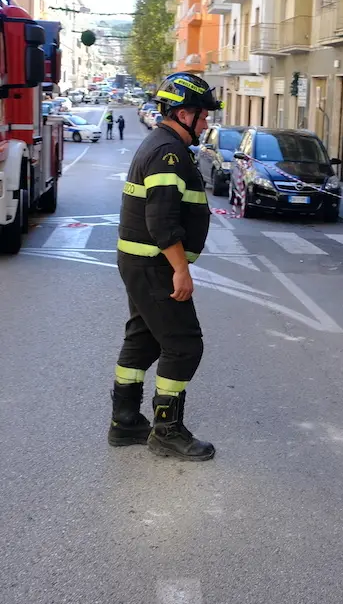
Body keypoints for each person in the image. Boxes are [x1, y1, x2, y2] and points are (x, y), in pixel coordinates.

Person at [108, 72, 222, 461]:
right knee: (184, 343)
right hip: (155, 264)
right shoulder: (167, 152)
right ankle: (167, 430)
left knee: (143, 339)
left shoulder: (163, 145)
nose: (206, 122)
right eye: (203, 115)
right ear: (184, 112)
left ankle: (125, 422)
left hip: (141, 262)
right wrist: (181, 269)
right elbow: (161, 220)